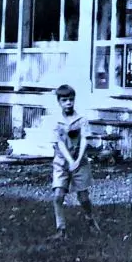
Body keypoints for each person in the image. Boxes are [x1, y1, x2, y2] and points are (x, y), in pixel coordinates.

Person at [51, 84, 99, 237]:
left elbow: (85, 140)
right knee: (58, 195)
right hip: (62, 161)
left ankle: (90, 220)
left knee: (83, 197)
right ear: (59, 102)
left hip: (80, 161)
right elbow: (59, 143)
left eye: (71, 100)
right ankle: (61, 228)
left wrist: (77, 160)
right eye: (64, 100)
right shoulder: (56, 121)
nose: (68, 103)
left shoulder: (81, 119)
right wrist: (70, 160)